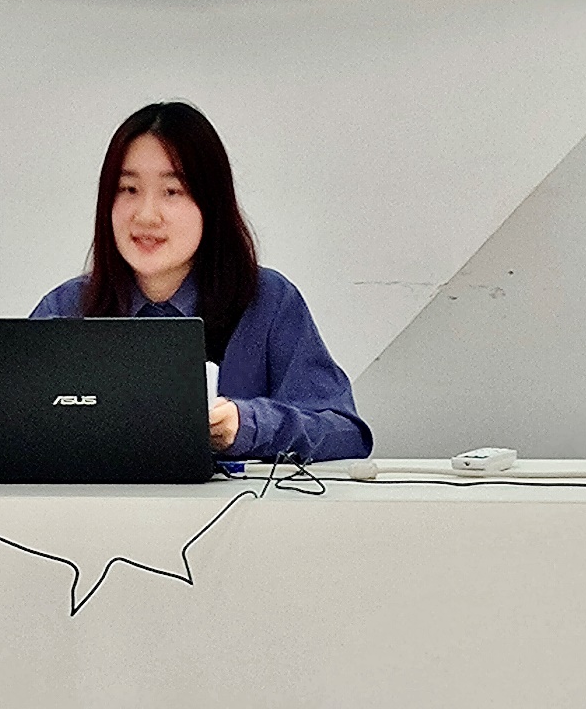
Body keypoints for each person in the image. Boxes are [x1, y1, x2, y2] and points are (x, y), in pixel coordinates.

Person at [31, 100, 373, 463]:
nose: (146, 216)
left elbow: (346, 433)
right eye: (128, 189)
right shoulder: (66, 308)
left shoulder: (268, 302)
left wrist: (247, 425)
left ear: (211, 203)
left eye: (172, 191)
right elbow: (9, 426)